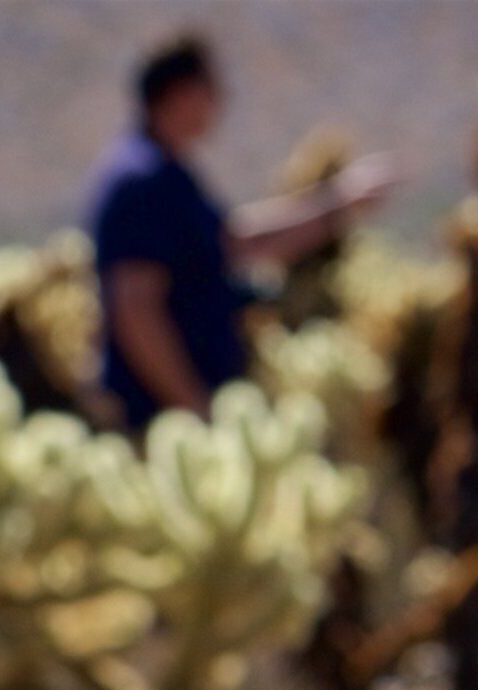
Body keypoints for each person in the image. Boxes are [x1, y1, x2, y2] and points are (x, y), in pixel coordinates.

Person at [88, 33, 394, 432]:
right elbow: (135, 308)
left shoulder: (167, 175)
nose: (220, 103)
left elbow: (237, 243)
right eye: (211, 89)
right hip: (158, 421)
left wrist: (338, 205)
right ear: (180, 93)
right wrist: (192, 406)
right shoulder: (141, 181)